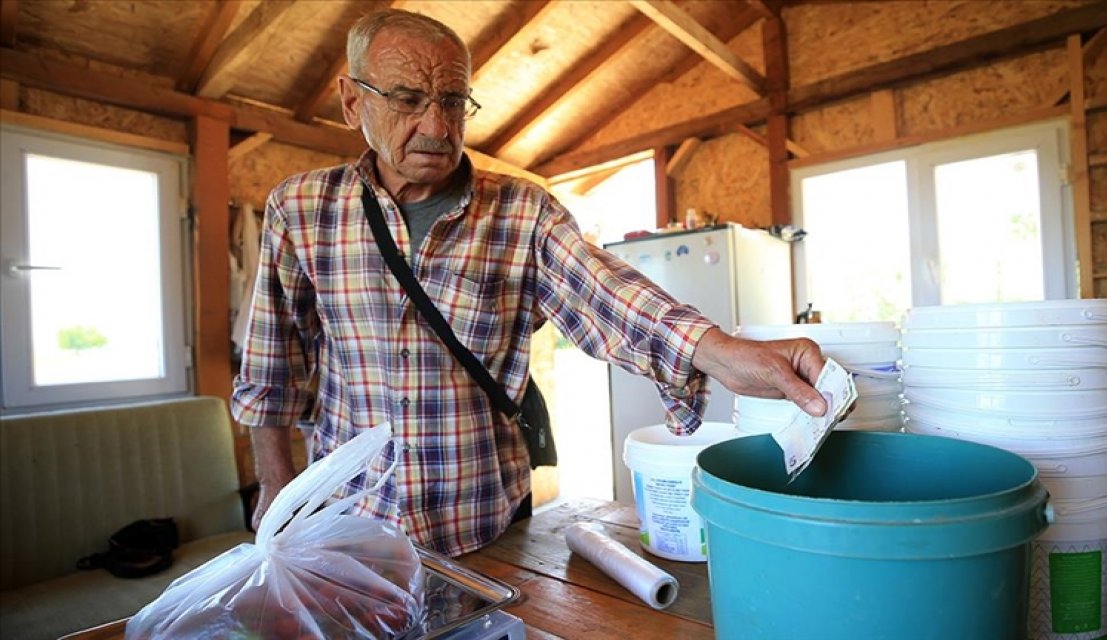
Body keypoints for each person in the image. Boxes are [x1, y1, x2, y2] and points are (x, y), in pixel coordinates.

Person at [231, 8, 827, 557]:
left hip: (485, 518)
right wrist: (278, 487)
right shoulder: (302, 208)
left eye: (454, 100)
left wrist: (718, 351)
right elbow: (272, 367)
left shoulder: (522, 211)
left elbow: (603, 290)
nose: (437, 126)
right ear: (351, 101)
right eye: (409, 99)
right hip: (350, 523)